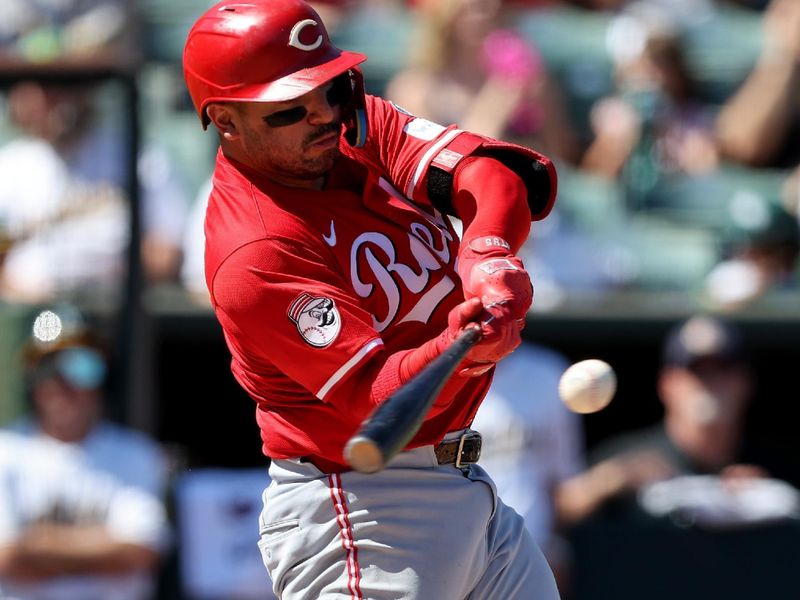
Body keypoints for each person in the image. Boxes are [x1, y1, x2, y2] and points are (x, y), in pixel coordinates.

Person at [182, 0, 560, 598]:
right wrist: (465, 350)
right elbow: (374, 400)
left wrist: (487, 252)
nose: (323, 115)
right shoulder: (254, 251)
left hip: (463, 484)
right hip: (362, 511)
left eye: (330, 89)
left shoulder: (351, 129)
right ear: (227, 121)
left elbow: (493, 174)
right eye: (291, 108)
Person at [0, 306, 171, 600]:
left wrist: (38, 543)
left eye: (82, 367)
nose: (65, 385)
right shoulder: (6, 451)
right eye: (50, 369)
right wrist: (102, 553)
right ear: (32, 380)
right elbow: (6, 559)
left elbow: (141, 551)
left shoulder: (136, 453)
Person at [386, 0, 581, 165]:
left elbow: (559, 154)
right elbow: (445, 162)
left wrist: (545, 102)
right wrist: (500, 98)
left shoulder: (526, 73)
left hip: (529, 193)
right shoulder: (414, 88)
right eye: (475, 4)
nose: (488, 9)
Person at [470, 341, 586, 594]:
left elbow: (563, 486)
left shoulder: (547, 373)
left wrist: (554, 546)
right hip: (458, 557)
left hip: (529, 558)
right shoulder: (434, 374)